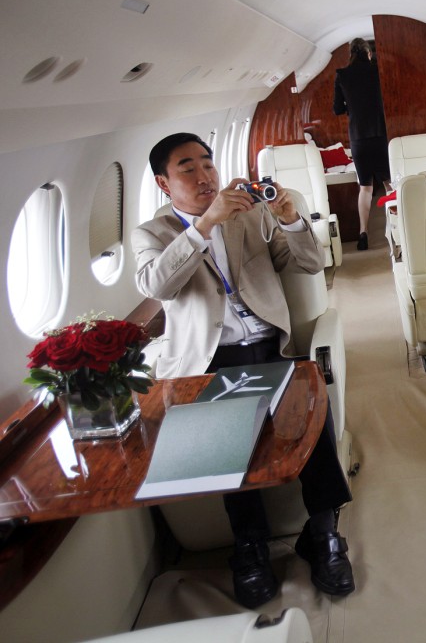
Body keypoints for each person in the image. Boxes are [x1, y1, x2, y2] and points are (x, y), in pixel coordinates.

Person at [133, 133, 355, 608]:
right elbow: (159, 285)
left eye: (207, 163)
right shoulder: (152, 235)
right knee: (223, 435)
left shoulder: (249, 216)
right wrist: (203, 227)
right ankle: (250, 546)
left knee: (313, 414)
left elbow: (312, 262)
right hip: (208, 361)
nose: (204, 175)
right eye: (187, 168)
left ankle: (322, 532)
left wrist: (291, 220)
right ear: (162, 183)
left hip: (270, 346)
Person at [334, 37, 390, 251]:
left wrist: (352, 105)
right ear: (368, 54)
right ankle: (398, 226)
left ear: (351, 55)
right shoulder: (377, 71)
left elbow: (337, 109)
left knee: (365, 188)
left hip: (358, 137)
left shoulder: (342, 75)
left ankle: (363, 233)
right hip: (380, 134)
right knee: (387, 184)